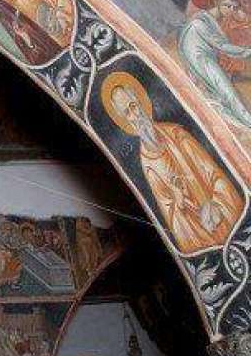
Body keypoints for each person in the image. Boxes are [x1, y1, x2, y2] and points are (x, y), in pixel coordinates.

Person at [101, 72, 244, 253]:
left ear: (141, 102)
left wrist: (217, 205)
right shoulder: (148, 165)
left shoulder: (177, 134)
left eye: (133, 106)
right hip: (200, 233)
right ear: (124, 121)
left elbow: (214, 174)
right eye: (127, 113)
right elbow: (172, 218)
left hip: (222, 213)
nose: (135, 115)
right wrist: (179, 201)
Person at [178, 0, 251, 128]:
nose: (231, 10)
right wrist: (247, 52)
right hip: (201, 60)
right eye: (228, 6)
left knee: (225, 90)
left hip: (205, 58)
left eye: (234, 8)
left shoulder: (210, 21)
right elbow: (222, 46)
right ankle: (248, 121)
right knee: (227, 91)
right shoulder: (199, 23)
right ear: (217, 4)